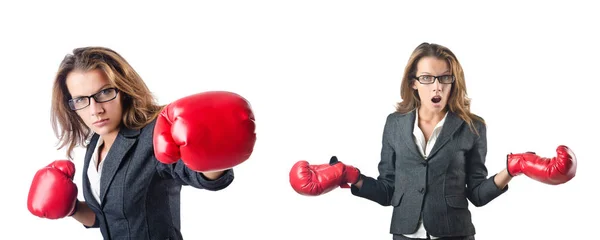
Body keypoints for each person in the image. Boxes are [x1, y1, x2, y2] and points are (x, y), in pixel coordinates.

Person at [288, 42, 577, 240]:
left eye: (444, 78)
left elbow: (476, 194)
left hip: (455, 234)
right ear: (413, 82)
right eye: (427, 78)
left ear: (453, 82)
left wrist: (514, 169)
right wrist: (350, 176)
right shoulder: (394, 124)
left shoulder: (472, 127)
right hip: (404, 233)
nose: (437, 86)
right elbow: (388, 191)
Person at [27, 46, 257, 239]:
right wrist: (72, 208)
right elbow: (107, 217)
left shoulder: (154, 134)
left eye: (105, 92)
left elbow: (200, 177)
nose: (95, 110)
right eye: (81, 100)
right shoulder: (95, 144)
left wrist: (216, 154)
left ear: (124, 90)